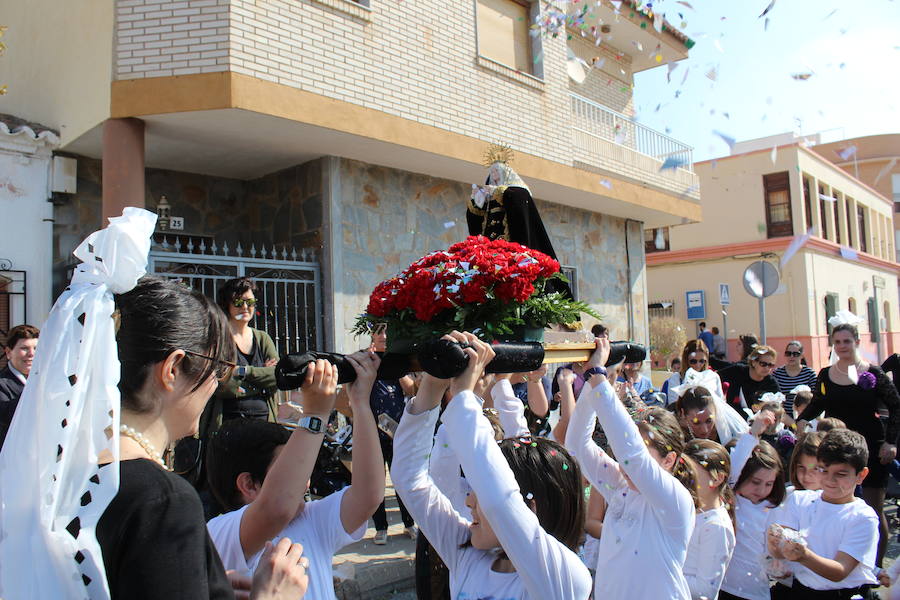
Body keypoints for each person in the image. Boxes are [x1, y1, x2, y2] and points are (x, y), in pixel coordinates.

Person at [391, 331, 592, 599]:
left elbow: (499, 500)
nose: (469, 502)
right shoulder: (469, 556)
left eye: (480, 492)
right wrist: (433, 384)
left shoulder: (562, 579)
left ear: (529, 508)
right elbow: (410, 479)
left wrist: (464, 398)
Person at [206, 351, 384, 600]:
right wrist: (315, 415)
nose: (306, 480)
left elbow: (369, 495)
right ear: (249, 484)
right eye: (291, 469)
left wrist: (360, 404)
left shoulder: (309, 519)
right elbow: (276, 508)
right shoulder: (220, 532)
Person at [567, 338, 698, 599]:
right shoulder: (620, 486)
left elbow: (632, 457)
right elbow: (576, 446)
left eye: (644, 450)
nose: (625, 463)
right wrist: (593, 383)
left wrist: (598, 377)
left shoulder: (674, 500)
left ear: (669, 461)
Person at [796, 322, 900, 568]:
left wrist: (891, 442)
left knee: (873, 510)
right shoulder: (825, 374)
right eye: (838, 342)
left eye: (847, 341)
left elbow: (896, 404)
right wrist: (801, 419)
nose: (842, 346)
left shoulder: (873, 373)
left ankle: (873, 567)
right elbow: (817, 404)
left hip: (870, 449)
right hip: (836, 449)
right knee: (836, 506)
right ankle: (840, 562)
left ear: (856, 342)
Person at [768, 429, 879, 598]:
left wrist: (804, 556)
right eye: (823, 470)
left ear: (861, 475)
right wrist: (775, 544)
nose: (830, 480)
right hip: (800, 590)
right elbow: (781, 553)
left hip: (841, 594)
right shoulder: (799, 499)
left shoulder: (862, 517)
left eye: (841, 474)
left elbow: (840, 571)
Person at [720, 409, 787, 600]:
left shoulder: (776, 509)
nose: (761, 490)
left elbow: (778, 552)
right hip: (723, 585)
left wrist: (782, 568)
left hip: (756, 591)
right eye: (755, 482)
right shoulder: (732, 498)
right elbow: (733, 468)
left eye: (769, 484)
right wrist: (753, 434)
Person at [368, 326, 418, 545]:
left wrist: (394, 366)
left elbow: (411, 390)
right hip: (372, 431)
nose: (384, 337)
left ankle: (408, 524)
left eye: (388, 333)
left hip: (397, 431)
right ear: (372, 335)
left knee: (400, 478)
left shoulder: (399, 361)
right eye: (379, 332)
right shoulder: (367, 360)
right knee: (376, 481)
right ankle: (381, 528)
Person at [208, 277, 280, 425]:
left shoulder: (263, 338)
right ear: (227, 304)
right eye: (239, 302)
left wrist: (243, 372)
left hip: (263, 422)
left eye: (250, 302)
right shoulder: (219, 339)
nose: (245, 307)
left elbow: (277, 376)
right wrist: (261, 380)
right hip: (228, 423)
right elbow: (222, 385)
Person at [683, 439, 736, 600]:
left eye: (690, 474)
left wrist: (659, 571)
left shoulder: (716, 526)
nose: (683, 479)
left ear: (718, 478)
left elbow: (705, 591)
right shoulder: (689, 510)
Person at [0, 323, 38, 448]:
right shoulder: (2, 384)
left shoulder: (48, 382)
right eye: (25, 348)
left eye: (36, 348)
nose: (31, 354)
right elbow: (9, 419)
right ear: (8, 352)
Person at [718, 345, 779, 420]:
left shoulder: (771, 383)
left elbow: (778, 409)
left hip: (758, 424)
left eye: (770, 365)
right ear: (753, 362)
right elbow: (714, 377)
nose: (767, 368)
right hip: (732, 420)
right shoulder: (737, 371)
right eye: (763, 364)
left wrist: (793, 425)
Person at [666, 340, 724, 406]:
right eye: (693, 361)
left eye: (701, 361)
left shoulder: (713, 377)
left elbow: (720, 404)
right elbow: (673, 404)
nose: (697, 365)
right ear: (686, 360)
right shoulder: (676, 378)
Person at [772, 341, 817, 414]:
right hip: (783, 417)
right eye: (788, 353)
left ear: (802, 356)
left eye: (795, 354)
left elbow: (816, 397)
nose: (791, 356)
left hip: (805, 415)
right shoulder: (777, 374)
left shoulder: (809, 373)